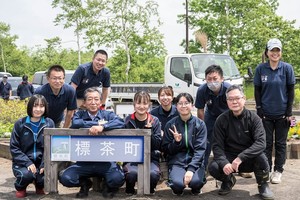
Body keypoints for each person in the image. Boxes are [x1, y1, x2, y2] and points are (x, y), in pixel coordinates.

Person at [208, 85, 274, 200]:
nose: (234, 102)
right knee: (213, 167)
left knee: (262, 158)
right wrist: (224, 163)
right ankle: (228, 180)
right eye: (231, 99)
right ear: (227, 101)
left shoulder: (254, 118)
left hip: (248, 158)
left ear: (244, 99)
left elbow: (261, 143)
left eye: (237, 98)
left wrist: (241, 157)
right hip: (230, 159)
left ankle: (263, 184)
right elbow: (217, 146)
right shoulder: (221, 120)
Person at [59, 87, 125, 198]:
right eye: (89, 99)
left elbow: (120, 122)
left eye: (96, 99)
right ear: (84, 103)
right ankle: (85, 184)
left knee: (118, 178)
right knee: (66, 177)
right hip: (84, 162)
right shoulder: (79, 114)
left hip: (106, 161)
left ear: (100, 101)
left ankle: (107, 185)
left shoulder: (107, 115)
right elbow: (76, 123)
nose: (93, 102)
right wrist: (95, 125)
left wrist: (103, 127)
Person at [253, 38, 295, 184]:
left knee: (281, 144)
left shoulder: (287, 68)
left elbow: (291, 91)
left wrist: (289, 113)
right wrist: (259, 110)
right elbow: (257, 91)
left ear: (281, 53)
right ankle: (267, 169)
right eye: (272, 50)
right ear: (267, 52)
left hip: (283, 114)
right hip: (266, 114)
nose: (275, 53)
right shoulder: (260, 69)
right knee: (266, 143)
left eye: (277, 50)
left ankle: (278, 171)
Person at [10, 94, 55, 198]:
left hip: (41, 163)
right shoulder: (20, 124)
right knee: (27, 175)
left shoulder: (49, 123)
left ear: (45, 108)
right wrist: (27, 162)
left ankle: (39, 185)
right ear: (30, 106)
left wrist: (44, 163)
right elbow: (14, 147)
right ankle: (21, 187)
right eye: (35, 106)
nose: (38, 109)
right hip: (23, 163)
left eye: (41, 106)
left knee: (45, 178)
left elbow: (52, 145)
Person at [162, 92, 207, 196]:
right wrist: (176, 142)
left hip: (195, 161)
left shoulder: (200, 124)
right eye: (180, 103)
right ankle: (176, 185)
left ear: (192, 105)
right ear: (176, 106)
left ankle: (197, 186)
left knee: (196, 183)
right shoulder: (171, 124)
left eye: (186, 103)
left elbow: (200, 149)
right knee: (177, 186)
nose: (183, 106)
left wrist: (191, 169)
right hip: (177, 161)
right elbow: (166, 148)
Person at [123, 91, 162, 195]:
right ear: (134, 104)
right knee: (132, 174)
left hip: (151, 158)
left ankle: (150, 189)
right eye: (139, 103)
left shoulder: (154, 121)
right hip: (131, 157)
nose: (141, 106)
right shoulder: (127, 120)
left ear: (149, 105)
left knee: (153, 174)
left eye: (145, 103)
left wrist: (149, 132)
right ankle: (130, 189)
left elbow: (157, 144)